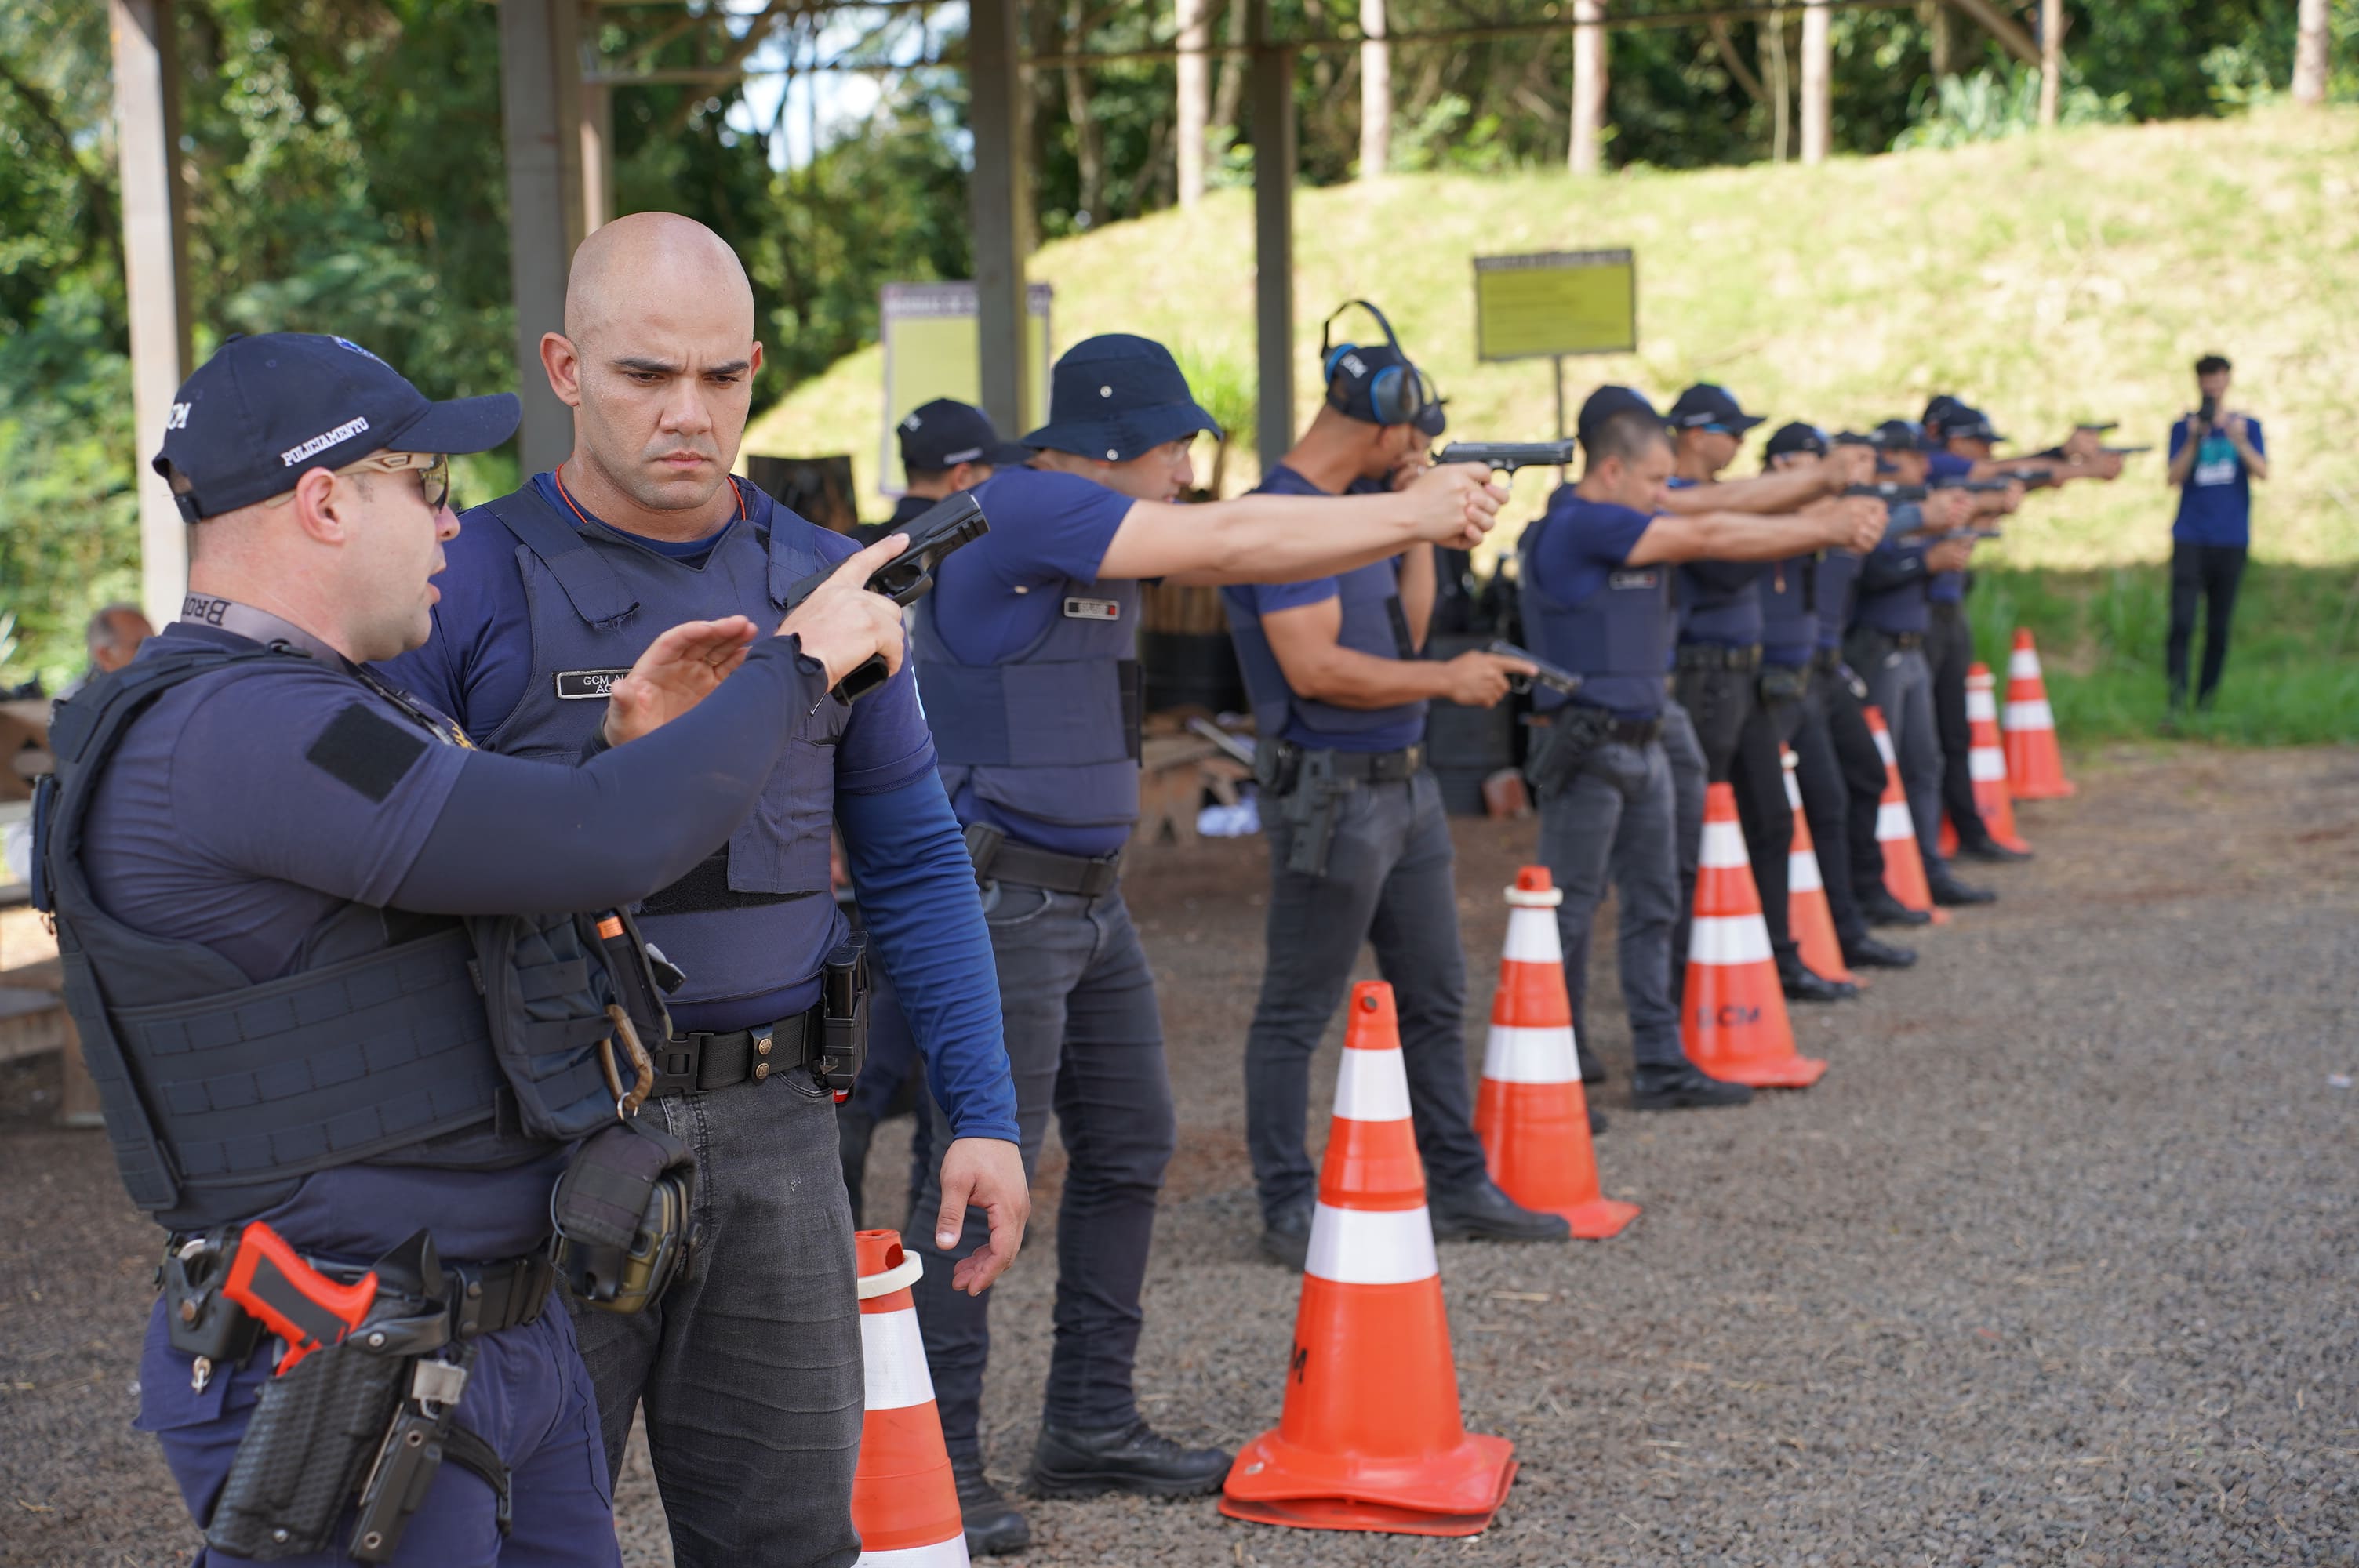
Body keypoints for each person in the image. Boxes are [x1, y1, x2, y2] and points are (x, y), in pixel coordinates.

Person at [42, 330, 911, 1566]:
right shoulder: (238, 731)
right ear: (325, 501)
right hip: (350, 1361)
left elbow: (503, 867)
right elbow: (593, 846)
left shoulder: (330, 706)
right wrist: (800, 662)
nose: (454, 525)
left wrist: (622, 750)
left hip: (489, 1337)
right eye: (427, 486)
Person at [382, 213, 1028, 1568]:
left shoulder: (823, 582)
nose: (689, 413)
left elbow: (912, 862)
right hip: (538, 1138)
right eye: (643, 376)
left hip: (777, 1135)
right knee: (508, 1533)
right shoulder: (458, 582)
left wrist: (983, 1109)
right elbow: (391, 878)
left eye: (721, 378)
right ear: (563, 367)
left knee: (788, 1540)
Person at [907, 331, 1502, 1552]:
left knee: (1132, 1145)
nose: (1188, 468)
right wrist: (1411, 514)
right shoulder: (1024, 506)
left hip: (1084, 895)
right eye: (1178, 444)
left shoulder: (1084, 520)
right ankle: (937, 1461)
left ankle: (1086, 1422)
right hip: (1001, 896)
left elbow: (1246, 533)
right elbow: (1236, 540)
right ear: (1121, 441)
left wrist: (1405, 525)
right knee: (970, 1182)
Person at [1220, 306, 1567, 1269]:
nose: (1419, 447)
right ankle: (1286, 1204)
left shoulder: (1365, 506)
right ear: (1382, 416)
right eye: (1415, 434)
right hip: (1332, 787)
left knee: (1436, 992)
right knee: (1297, 1006)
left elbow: (1409, 629)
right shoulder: (1284, 513)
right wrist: (1447, 683)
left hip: (1399, 786)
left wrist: (1418, 521)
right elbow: (1316, 668)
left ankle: (1454, 1181)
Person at [1519, 387, 1879, 1112]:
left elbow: (1719, 506)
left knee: (1654, 903)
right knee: (1572, 911)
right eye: (1656, 482)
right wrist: (1821, 523)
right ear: (1613, 470)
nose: (1667, 496)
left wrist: (1814, 489)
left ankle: (1658, 1057)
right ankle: (1554, 1065)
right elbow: (1710, 535)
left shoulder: (1626, 507)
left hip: (1645, 738)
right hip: (1589, 748)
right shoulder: (1579, 524)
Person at [837, 397, 1034, 1214]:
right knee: (888, 1061)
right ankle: (874, 1233)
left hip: (852, 840)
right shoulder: (973, 561)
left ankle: (851, 1229)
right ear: (961, 477)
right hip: (930, 830)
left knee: (862, 1063)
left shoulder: (846, 562)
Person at [1659, 383, 1873, 1004]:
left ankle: (1774, 957)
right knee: (1695, 834)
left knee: (1771, 820)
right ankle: (1687, 977)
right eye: (1732, 431)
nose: (1742, 444)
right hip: (1704, 676)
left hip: (1739, 676)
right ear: (1696, 434)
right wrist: (1806, 518)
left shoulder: (1719, 501)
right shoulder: (1677, 503)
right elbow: (1724, 557)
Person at [1757, 423, 1917, 971]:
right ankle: (1805, 937)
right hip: (1772, 682)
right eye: (1812, 462)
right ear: (1779, 466)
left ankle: (1845, 918)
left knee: (1849, 789)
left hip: (1817, 673)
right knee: (1780, 818)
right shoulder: (1760, 517)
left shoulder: (1820, 517)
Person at [1843, 420, 1994, 909]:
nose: (1923, 465)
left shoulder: (1907, 510)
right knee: (1878, 771)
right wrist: (1927, 560)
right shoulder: (1872, 512)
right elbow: (1866, 576)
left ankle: (1926, 868)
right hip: (1879, 646)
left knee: (1923, 765)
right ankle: (1882, 880)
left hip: (1911, 647)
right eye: (1910, 457)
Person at [2165, 354, 2266, 713]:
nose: (2212, 384)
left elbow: (2263, 471)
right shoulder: (2184, 427)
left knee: (2219, 627)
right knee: (2181, 622)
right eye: (2206, 378)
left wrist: (2238, 439)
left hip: (2231, 537)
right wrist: (2194, 439)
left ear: (2227, 380)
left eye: (2218, 377)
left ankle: (2206, 704)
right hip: (2191, 535)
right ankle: (2175, 702)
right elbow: (2172, 478)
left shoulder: (2247, 425)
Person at [56, 603, 156, 699]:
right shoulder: (73, 704)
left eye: (156, 643)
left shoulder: (158, 684)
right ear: (105, 655)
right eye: (140, 646)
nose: (155, 651)